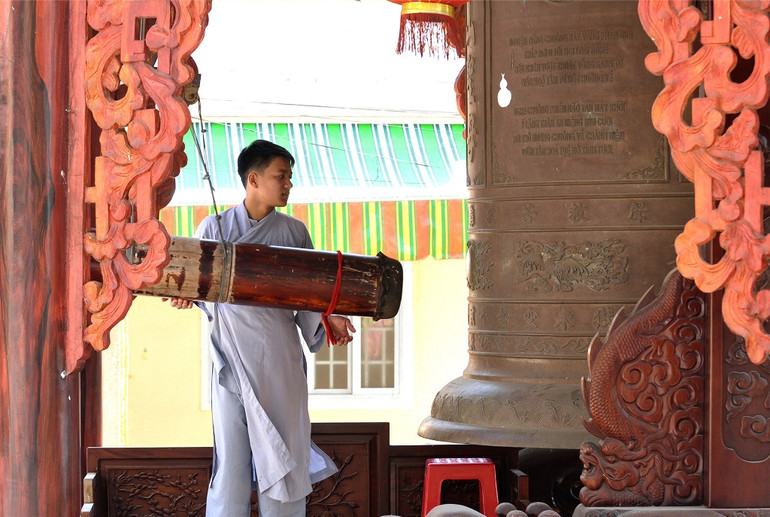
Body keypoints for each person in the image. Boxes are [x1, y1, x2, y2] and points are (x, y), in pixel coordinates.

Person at [168, 139, 355, 516]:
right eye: (280, 176)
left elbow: (309, 298)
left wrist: (327, 315)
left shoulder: (295, 233)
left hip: (279, 363)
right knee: (231, 466)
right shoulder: (213, 227)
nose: (288, 185)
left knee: (284, 458)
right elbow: (202, 290)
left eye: (289, 177)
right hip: (231, 362)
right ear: (253, 180)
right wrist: (187, 295)